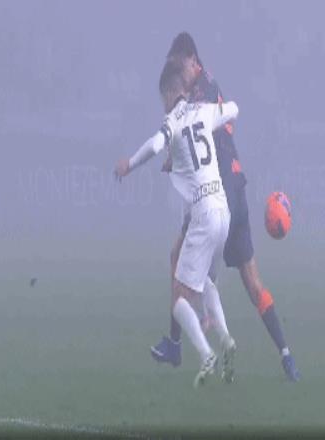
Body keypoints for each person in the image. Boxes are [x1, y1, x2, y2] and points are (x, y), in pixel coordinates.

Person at [150, 33, 300, 382]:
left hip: (218, 192)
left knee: (183, 260)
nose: (177, 76)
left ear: (192, 60)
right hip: (237, 186)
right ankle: (287, 355)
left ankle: (180, 343)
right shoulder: (207, 87)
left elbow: (189, 131)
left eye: (179, 67)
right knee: (252, 283)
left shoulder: (199, 91)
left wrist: (172, 155)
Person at [114, 61, 239, 387]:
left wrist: (130, 164)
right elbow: (233, 109)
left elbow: (156, 145)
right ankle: (226, 338)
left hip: (203, 213)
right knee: (204, 281)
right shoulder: (203, 110)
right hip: (223, 210)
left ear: (171, 92)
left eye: (163, 98)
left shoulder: (173, 120)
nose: (164, 105)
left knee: (180, 295)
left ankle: (206, 354)